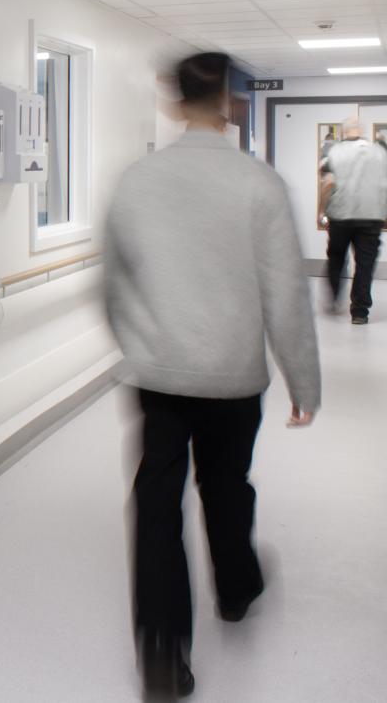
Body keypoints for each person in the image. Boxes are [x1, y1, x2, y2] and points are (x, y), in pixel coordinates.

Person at [104, 52, 321, 700]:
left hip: (160, 375)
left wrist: (139, 341)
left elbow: (114, 282)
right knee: (227, 485)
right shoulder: (259, 183)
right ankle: (236, 589)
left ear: (175, 104)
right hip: (232, 376)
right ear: (228, 102)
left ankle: (164, 658)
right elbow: (286, 294)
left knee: (156, 507)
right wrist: (303, 382)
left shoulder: (138, 179)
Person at [318, 119, 387, 324]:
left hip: (340, 217)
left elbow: (328, 183)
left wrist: (322, 211)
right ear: (362, 131)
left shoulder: (333, 152)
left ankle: (334, 295)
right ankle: (359, 312)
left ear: (344, 131)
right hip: (371, 217)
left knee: (337, 258)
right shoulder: (380, 152)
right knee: (365, 265)